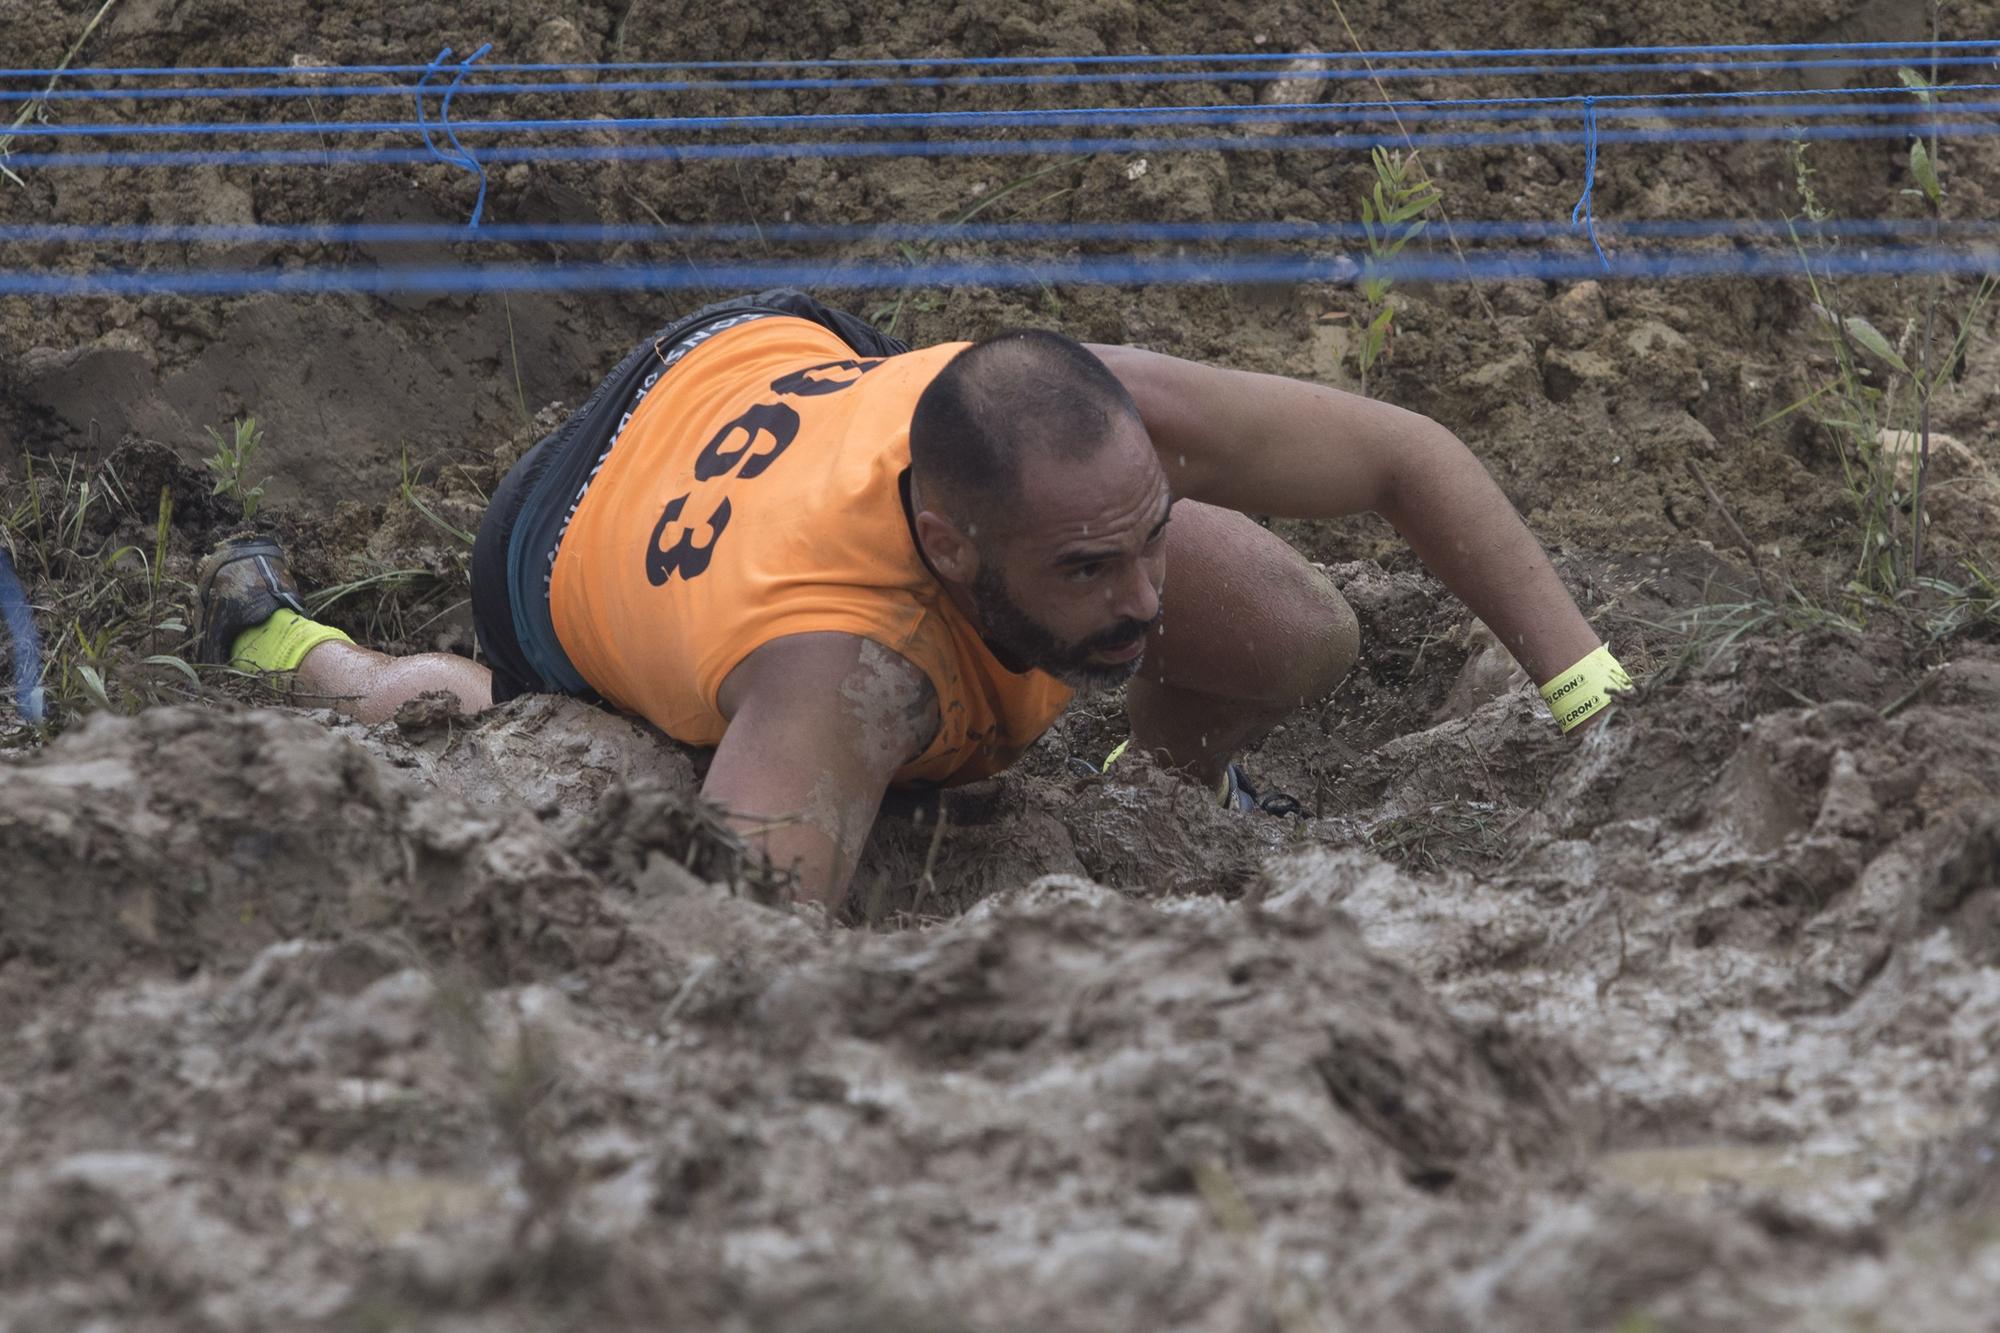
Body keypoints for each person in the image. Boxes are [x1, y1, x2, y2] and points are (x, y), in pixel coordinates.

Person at [197, 289, 1628, 911]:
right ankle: (310, 648)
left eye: (1150, 534)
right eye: (1085, 570)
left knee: (1304, 629)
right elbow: (727, 944)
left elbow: (1405, 455)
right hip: (566, 530)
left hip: (771, 361)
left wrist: (1592, 697)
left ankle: (1174, 782)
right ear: (947, 547)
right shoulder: (843, 679)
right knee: (541, 744)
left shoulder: (1099, 421)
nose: (1142, 600)